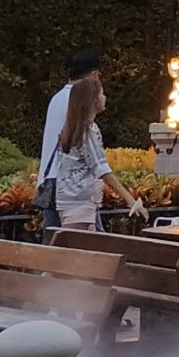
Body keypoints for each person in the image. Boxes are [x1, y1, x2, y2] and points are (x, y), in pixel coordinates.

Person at [48, 75, 144, 231]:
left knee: (82, 242)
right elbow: (101, 168)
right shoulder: (89, 130)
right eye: (101, 94)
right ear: (93, 101)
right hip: (82, 202)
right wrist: (130, 199)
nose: (104, 97)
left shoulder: (71, 129)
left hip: (67, 199)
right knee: (80, 245)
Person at [40, 48, 103, 187]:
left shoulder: (57, 97)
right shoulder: (76, 100)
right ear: (93, 75)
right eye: (98, 76)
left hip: (48, 176)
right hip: (65, 181)